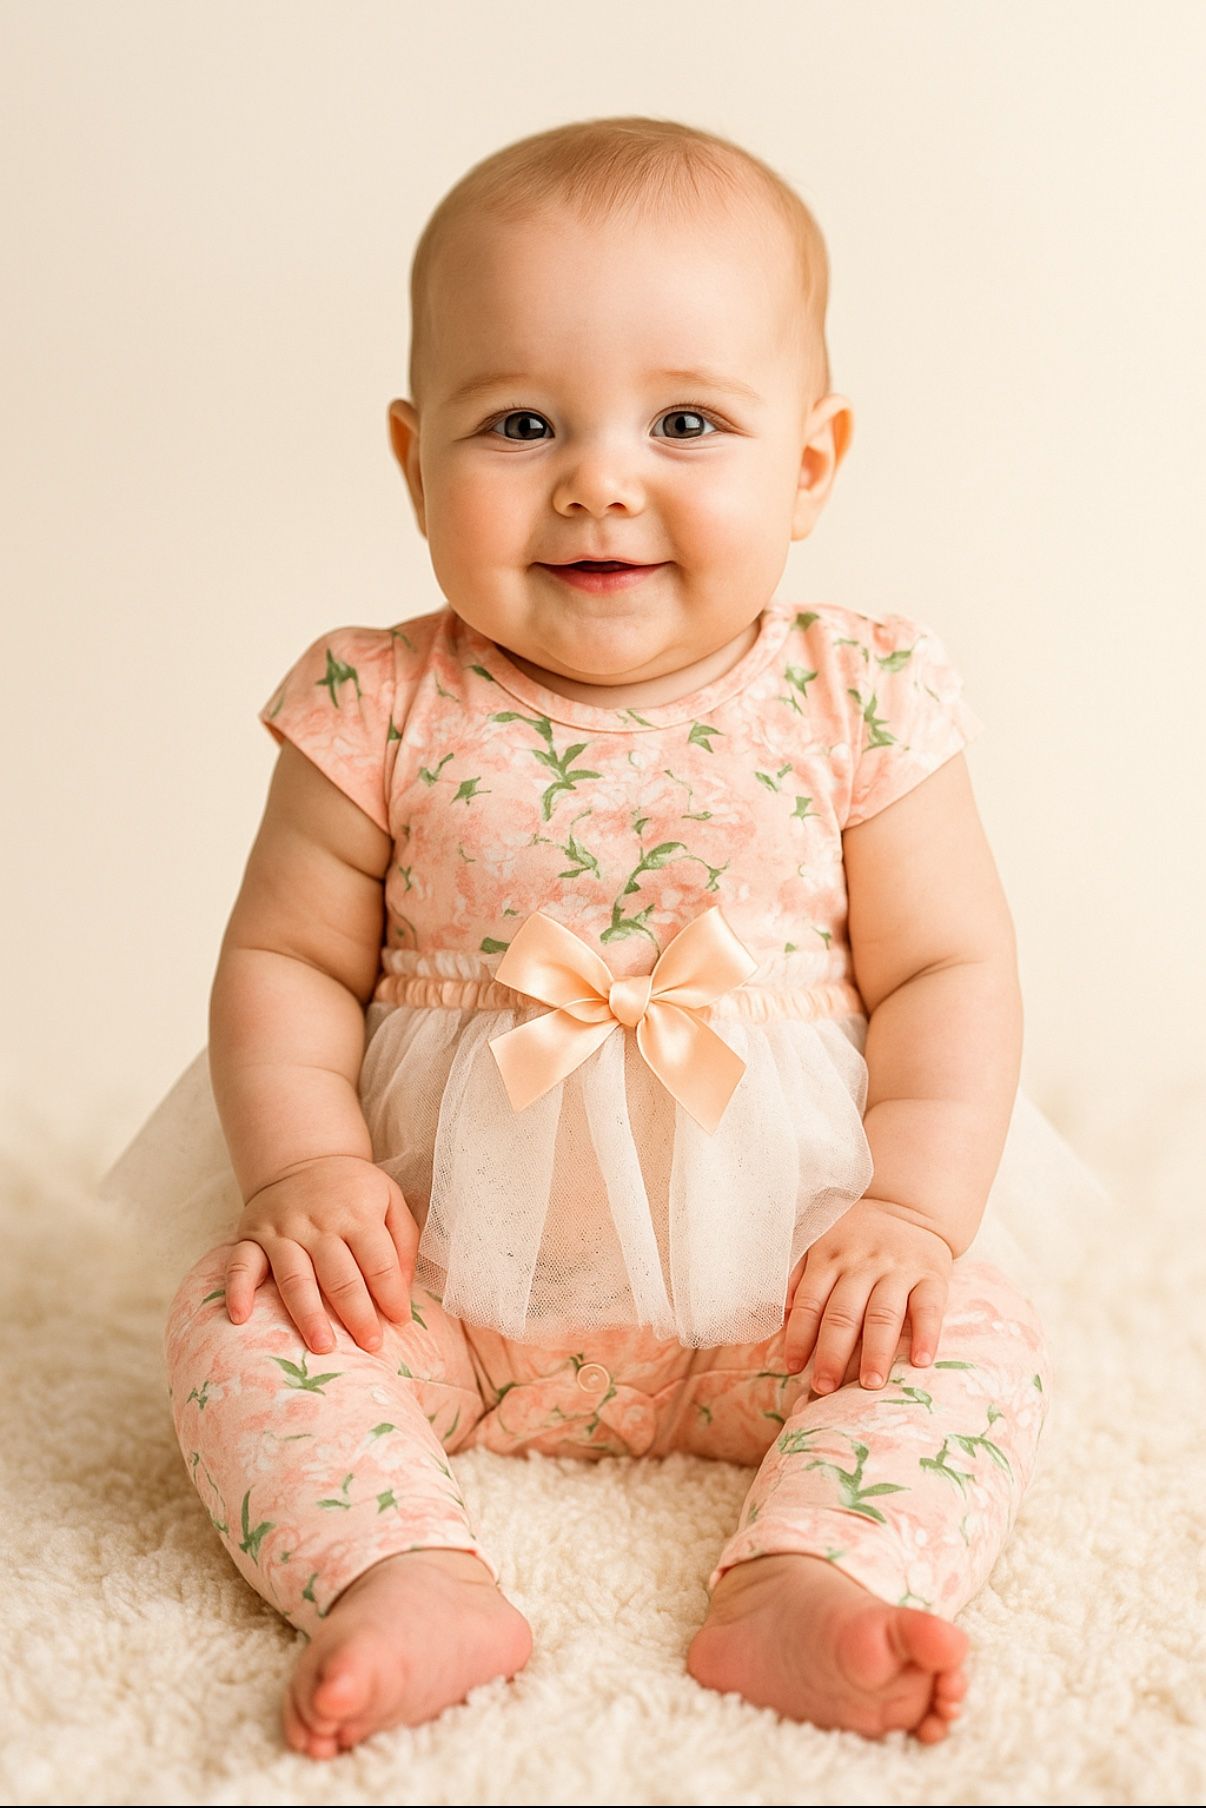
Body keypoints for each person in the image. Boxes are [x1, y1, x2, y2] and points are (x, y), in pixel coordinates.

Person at [101, 114, 1096, 1759]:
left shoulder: (860, 694)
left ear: (811, 462)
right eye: (519, 423)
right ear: (413, 455)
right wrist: (302, 1176)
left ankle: (809, 1573)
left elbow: (946, 972)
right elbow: (283, 963)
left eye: (686, 418)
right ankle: (401, 1570)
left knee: (969, 1342)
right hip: (439, 1279)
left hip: (788, 1284)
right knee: (243, 1320)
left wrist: (912, 1217)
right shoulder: (377, 699)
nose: (597, 477)